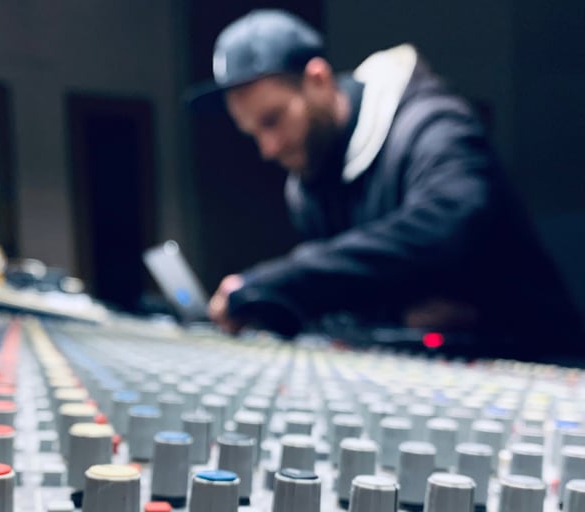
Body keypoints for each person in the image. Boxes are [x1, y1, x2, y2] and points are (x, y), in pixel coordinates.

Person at [190, 9, 583, 357]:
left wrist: (277, 282)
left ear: (318, 79)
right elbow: (354, 294)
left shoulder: (434, 126)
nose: (268, 148)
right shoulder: (307, 184)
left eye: (273, 120)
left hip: (540, 360)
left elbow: (447, 229)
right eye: (253, 133)